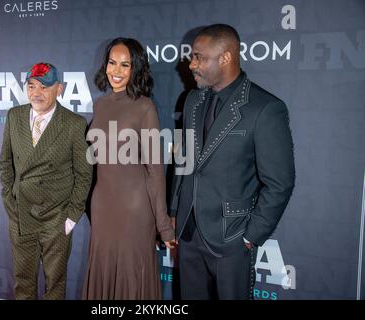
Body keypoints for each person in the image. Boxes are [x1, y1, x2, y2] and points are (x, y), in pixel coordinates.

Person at [170, 24, 295, 300]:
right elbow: (185, 159)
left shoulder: (264, 108)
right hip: (189, 233)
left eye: (199, 57)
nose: (191, 64)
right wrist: (175, 209)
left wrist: (250, 236)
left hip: (231, 238)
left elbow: (280, 183)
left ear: (225, 58)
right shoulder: (193, 99)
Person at [82, 38, 176, 300]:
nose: (117, 71)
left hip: (134, 208)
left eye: (126, 65)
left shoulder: (144, 107)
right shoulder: (100, 105)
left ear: (136, 69)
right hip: (102, 206)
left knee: (131, 279)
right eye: (112, 63)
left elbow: (155, 169)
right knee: (103, 272)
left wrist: (163, 225)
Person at [0, 62, 93, 299]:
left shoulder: (74, 124)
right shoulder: (14, 116)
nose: (36, 93)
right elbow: (5, 163)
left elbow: (84, 175)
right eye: (31, 86)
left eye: (44, 87)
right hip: (21, 215)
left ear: (59, 89)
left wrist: (71, 217)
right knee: (23, 283)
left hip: (56, 218)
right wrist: (10, 202)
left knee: (55, 286)